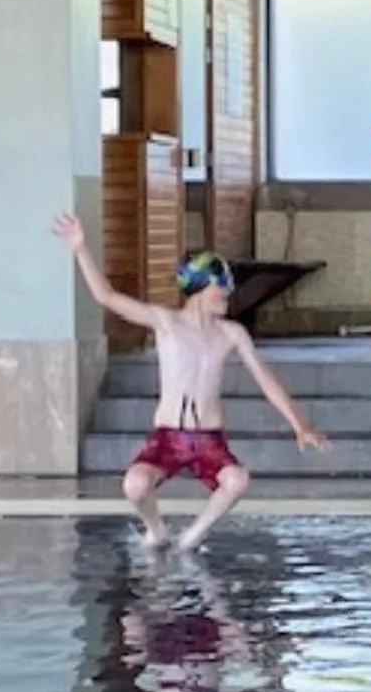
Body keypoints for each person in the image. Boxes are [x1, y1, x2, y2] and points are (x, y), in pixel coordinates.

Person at [54, 213, 329, 551]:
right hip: (167, 437)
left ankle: (191, 538)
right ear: (200, 287)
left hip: (208, 439)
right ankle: (156, 531)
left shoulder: (231, 333)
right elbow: (107, 297)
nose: (228, 294)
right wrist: (81, 249)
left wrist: (299, 424)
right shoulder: (166, 323)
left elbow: (266, 380)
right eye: (222, 288)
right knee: (135, 485)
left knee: (237, 481)